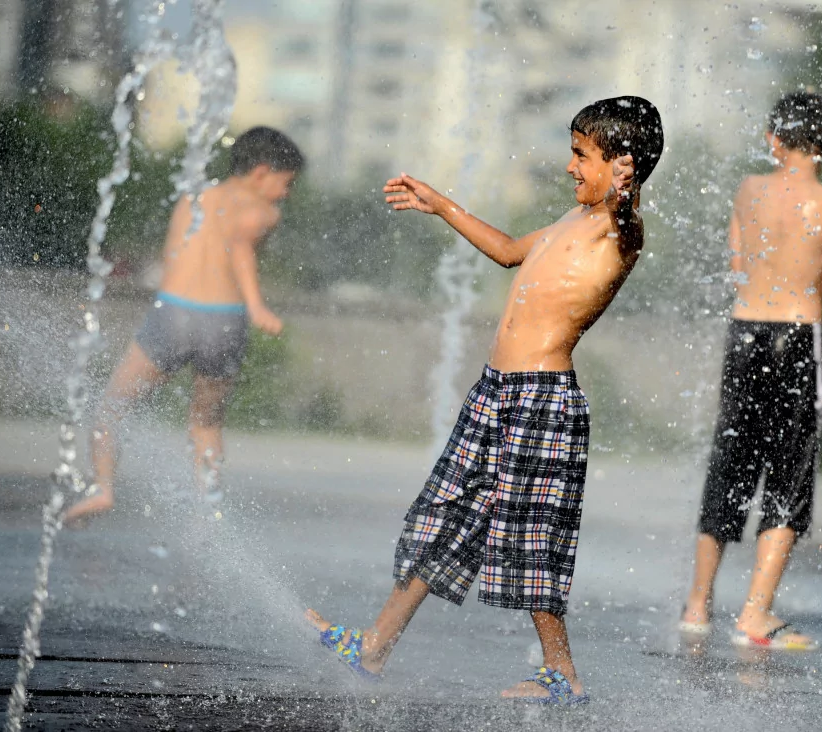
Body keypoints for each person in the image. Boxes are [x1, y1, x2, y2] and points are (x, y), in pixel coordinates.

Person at [304, 96, 663, 704]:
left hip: (541, 401)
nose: (570, 166)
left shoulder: (618, 231)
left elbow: (625, 222)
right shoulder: (568, 223)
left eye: (582, 155)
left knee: (529, 534)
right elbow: (505, 251)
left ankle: (562, 674)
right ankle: (375, 646)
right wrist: (440, 204)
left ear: (621, 166)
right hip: (495, 392)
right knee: (444, 515)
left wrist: (624, 195)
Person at [678, 92, 822, 650]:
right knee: (788, 471)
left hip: (745, 332)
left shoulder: (748, 191)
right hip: (798, 339)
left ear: (772, 141)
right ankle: (755, 614)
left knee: (730, 460)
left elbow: (737, 263)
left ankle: (697, 604)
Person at [62, 126, 302, 525]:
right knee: (205, 422)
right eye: (286, 182)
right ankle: (207, 509)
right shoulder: (263, 211)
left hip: (174, 313)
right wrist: (256, 305)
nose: (287, 193)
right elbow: (240, 244)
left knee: (112, 408)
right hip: (224, 321)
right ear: (261, 173)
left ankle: (103, 488)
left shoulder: (194, 198)